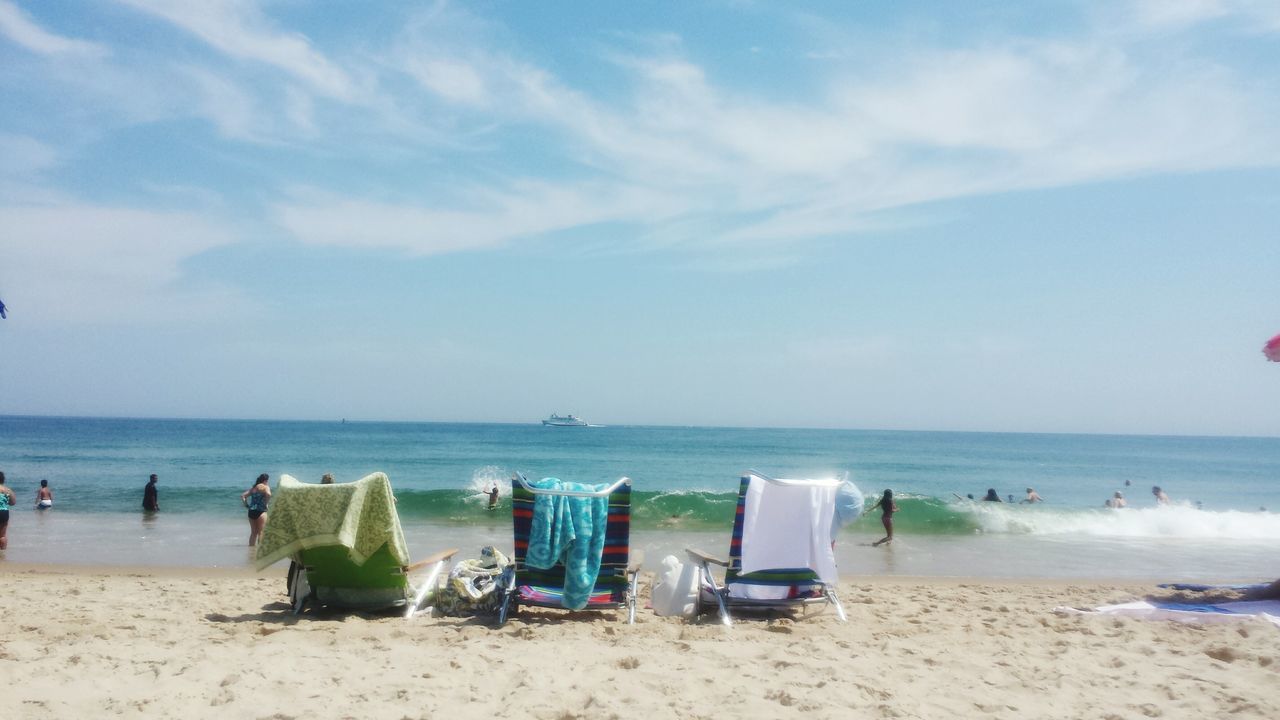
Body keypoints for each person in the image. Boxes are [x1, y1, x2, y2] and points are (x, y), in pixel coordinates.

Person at [240, 474, 272, 547]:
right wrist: (266, 503)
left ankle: (251, 550)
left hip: (251, 511)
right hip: (261, 511)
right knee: (261, 532)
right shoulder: (265, 487)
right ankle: (259, 552)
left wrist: (246, 505)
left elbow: (243, 496)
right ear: (265, 480)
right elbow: (269, 494)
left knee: (253, 533)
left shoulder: (253, 488)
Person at [0, 471, 15, 550]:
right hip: (4, 512)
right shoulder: (7, 490)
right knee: (2, 535)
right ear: (3, 480)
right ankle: (2, 554)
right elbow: (13, 502)